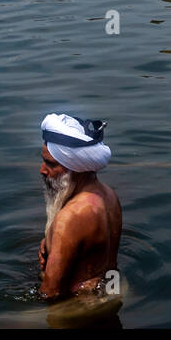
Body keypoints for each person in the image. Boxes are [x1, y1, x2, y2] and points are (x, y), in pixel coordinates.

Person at [37, 113, 122, 301]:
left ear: (74, 166)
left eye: (51, 164)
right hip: (110, 294)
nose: (42, 170)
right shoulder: (109, 196)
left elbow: (50, 292)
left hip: (77, 308)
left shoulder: (71, 217)